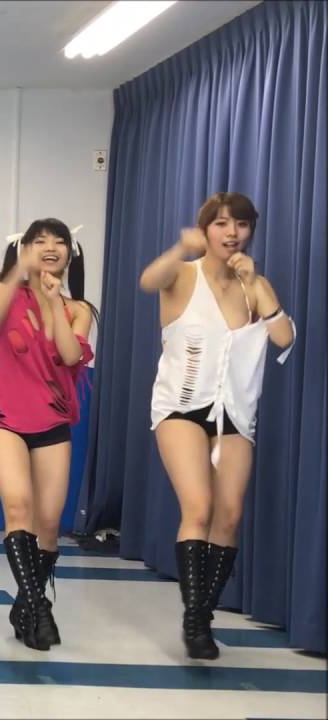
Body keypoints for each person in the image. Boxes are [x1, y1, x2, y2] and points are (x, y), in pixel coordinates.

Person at [139, 192, 294, 660]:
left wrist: (260, 290)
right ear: (206, 229)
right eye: (222, 223)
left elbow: (284, 338)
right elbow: (149, 280)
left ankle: (204, 612)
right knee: (199, 506)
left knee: (228, 515)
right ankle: (193, 619)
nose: (233, 233)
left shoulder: (255, 285)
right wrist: (179, 248)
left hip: (234, 412)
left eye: (241, 224)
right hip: (181, 406)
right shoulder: (183, 274)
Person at [0, 219, 96, 652]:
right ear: (24, 248)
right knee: (18, 506)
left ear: (69, 253)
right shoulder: (5, 294)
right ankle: (40, 608)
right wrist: (17, 272)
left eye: (59, 241)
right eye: (40, 240)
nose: (50, 247)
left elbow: (70, 354)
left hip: (52, 422)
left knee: (48, 525)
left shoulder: (78, 308)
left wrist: (51, 303)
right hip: (3, 418)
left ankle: (24, 605)